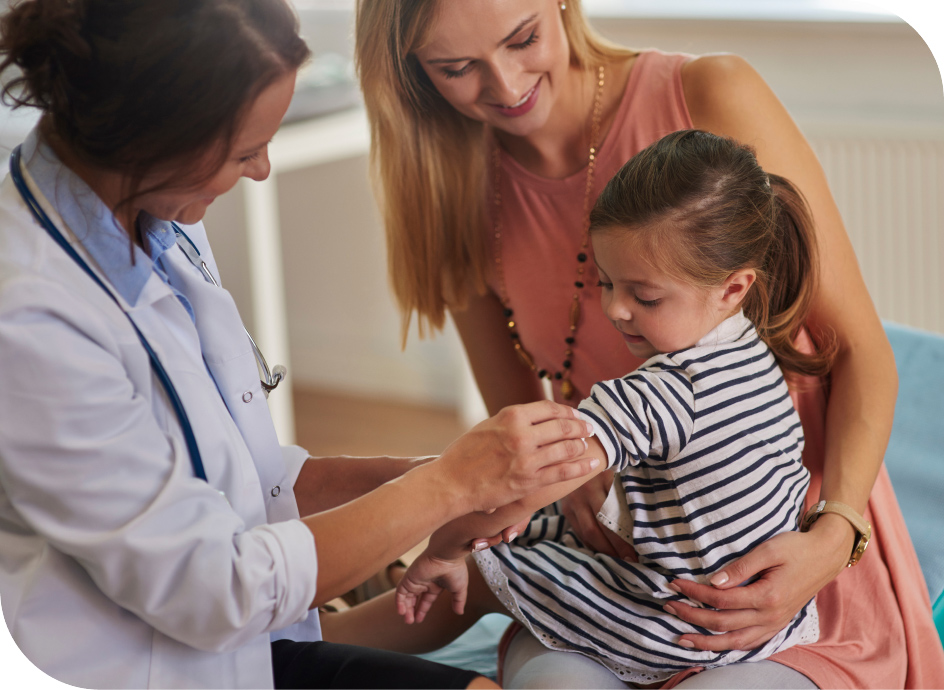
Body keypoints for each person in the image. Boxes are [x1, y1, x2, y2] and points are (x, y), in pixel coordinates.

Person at [0, 2, 601, 688]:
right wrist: (449, 485)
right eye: (245, 151)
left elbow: (245, 480)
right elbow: (216, 591)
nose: (260, 171)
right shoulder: (29, 319)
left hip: (247, 642)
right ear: (152, 138)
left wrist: (440, 476)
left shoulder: (151, 213)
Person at [353, 0, 944, 688]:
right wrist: (563, 486)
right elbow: (513, 441)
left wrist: (835, 534)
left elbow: (861, 351)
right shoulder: (451, 193)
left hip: (796, 552)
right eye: (457, 69)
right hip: (623, 570)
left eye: (523, 39)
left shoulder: (710, 93)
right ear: (413, 75)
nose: (508, 84)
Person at [353, 129, 827, 684]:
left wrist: (442, 547)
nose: (615, 310)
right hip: (758, 623)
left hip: (663, 621)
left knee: (482, 564)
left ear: (732, 287)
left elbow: (524, 482)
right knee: (548, 531)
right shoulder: (757, 354)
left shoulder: (662, 392)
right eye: (605, 283)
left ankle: (316, 643)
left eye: (644, 296)